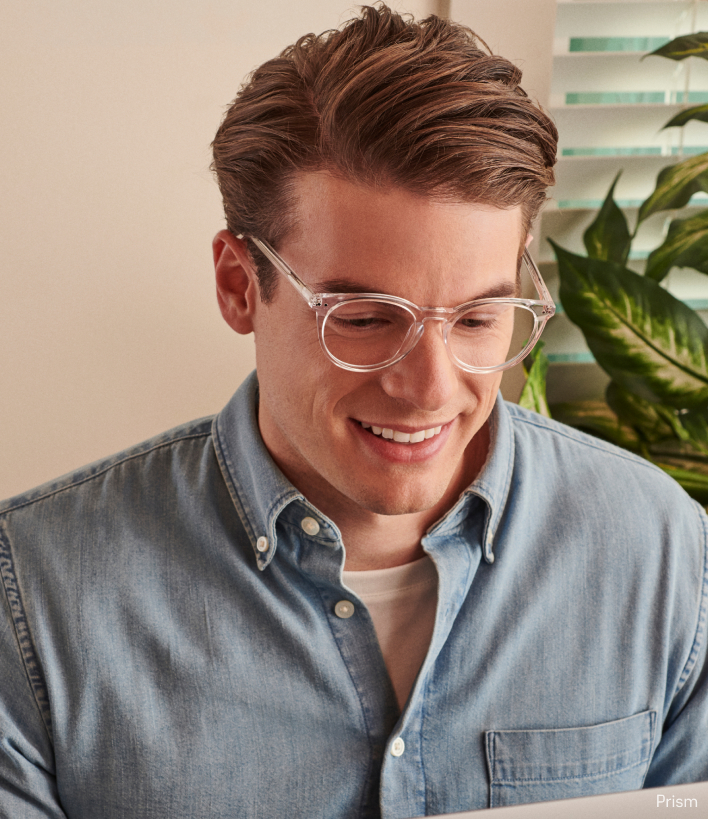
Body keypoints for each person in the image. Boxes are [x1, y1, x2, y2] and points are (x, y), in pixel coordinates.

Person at [1, 4, 706, 817]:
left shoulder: (662, 555)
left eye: (479, 319)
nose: (433, 388)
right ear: (239, 285)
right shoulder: (32, 601)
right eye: (366, 320)